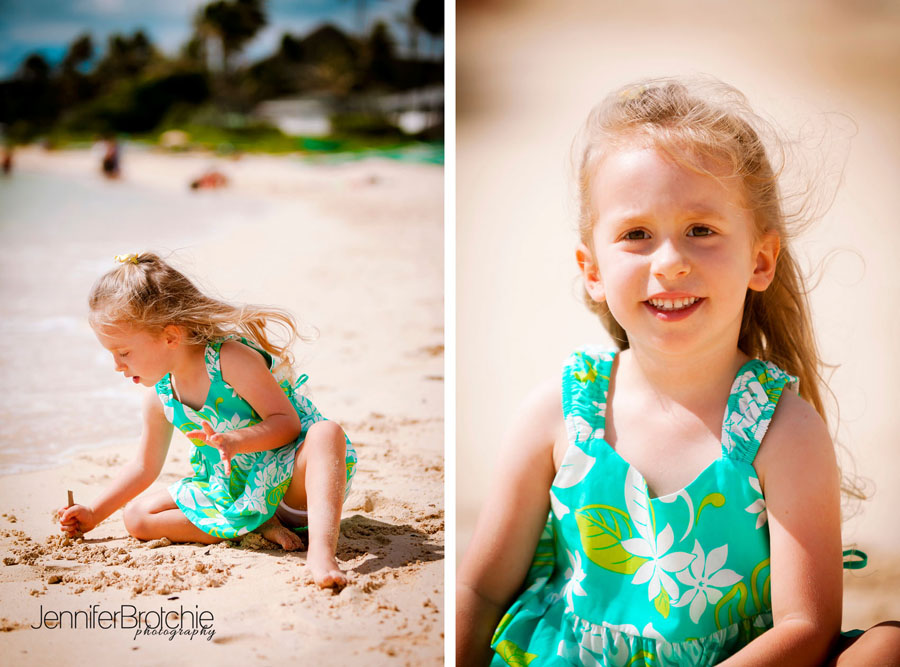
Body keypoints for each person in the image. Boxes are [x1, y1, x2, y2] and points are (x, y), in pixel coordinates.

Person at [457, 78, 900, 665]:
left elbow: (807, 625)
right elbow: (482, 588)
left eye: (701, 231)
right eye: (636, 235)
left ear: (760, 259)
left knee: (886, 645)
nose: (670, 263)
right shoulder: (560, 414)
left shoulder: (782, 429)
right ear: (592, 269)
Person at [57, 252, 357, 588]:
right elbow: (144, 466)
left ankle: (320, 553)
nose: (116, 365)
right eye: (111, 354)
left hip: (292, 485)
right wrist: (94, 513)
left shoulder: (230, 360)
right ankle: (254, 526)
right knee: (137, 517)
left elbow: (286, 424)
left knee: (326, 433)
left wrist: (237, 441)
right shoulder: (161, 395)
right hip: (234, 494)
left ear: (170, 337)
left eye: (124, 352)